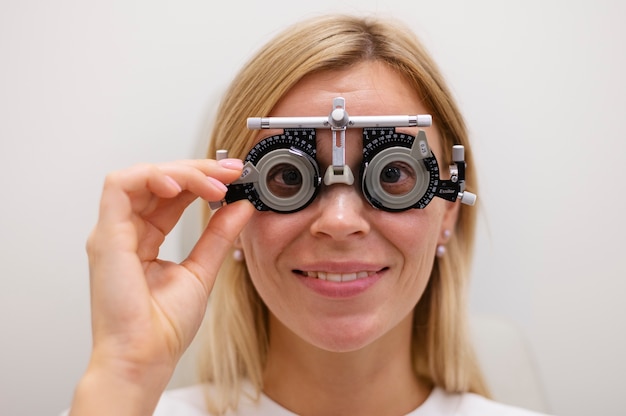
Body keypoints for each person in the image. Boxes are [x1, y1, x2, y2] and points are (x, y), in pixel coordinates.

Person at [66, 13, 550, 416]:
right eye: (287, 178)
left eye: (394, 174)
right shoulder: (116, 403)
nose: (340, 221)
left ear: (448, 211)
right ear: (228, 205)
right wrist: (126, 372)